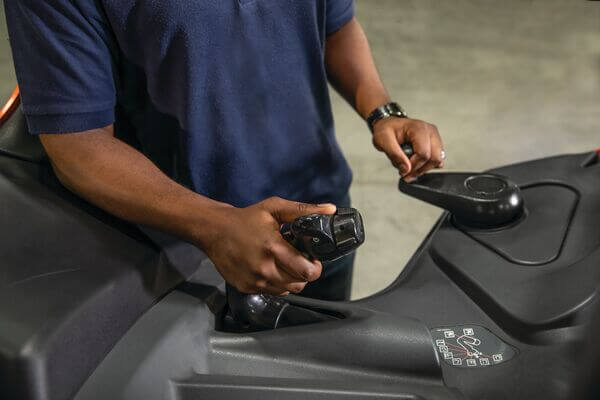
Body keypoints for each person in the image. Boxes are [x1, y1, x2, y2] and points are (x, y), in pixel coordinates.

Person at [4, 0, 444, 301]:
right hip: (182, 260)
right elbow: (79, 146)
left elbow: (335, 23)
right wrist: (216, 226)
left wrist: (382, 110)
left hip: (320, 217)